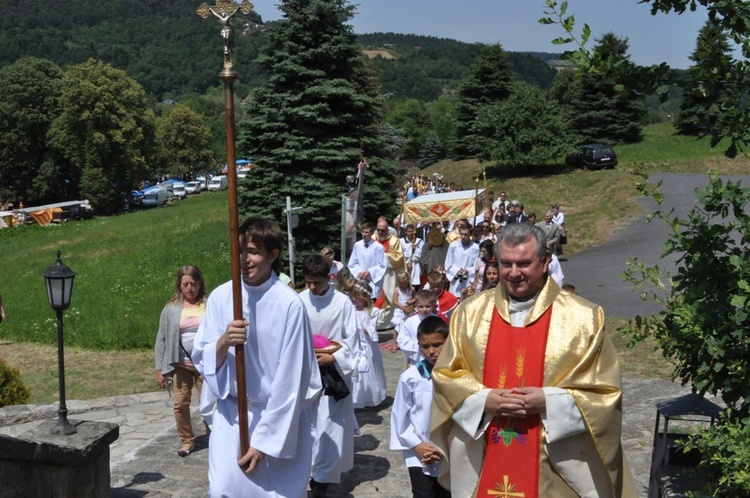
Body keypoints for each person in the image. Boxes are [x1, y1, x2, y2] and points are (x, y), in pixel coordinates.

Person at [430, 222, 637, 498]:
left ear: (546, 261)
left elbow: (604, 394)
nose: (514, 274)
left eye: (524, 264)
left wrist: (548, 402)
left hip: (554, 466)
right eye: (506, 264)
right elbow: (446, 377)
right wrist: (482, 401)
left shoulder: (583, 318)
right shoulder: (469, 314)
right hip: (484, 455)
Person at [193, 218, 320, 497]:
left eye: (253, 251)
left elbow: (292, 379)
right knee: (224, 488)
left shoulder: (289, 305)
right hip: (232, 415)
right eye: (240, 251)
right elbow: (201, 354)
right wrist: (223, 342)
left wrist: (264, 442)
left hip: (276, 419)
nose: (244, 259)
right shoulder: (221, 297)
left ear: (273, 255)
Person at [299, 255, 360, 497]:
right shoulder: (299, 300)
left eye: (317, 282)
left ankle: (321, 481)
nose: (312, 287)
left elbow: (354, 339)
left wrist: (334, 357)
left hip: (333, 370)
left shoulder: (342, 303)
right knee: (306, 425)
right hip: (306, 369)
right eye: (308, 282)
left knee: (328, 425)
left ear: (329, 278)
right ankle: (306, 469)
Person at [390, 315, 451, 498]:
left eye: (437, 345)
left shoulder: (458, 376)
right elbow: (400, 417)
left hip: (448, 452)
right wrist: (418, 446)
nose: (431, 351)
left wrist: (444, 447)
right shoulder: (411, 378)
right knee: (423, 494)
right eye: (425, 346)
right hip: (419, 453)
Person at [154, 265, 208, 457]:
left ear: (199, 283)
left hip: (205, 365)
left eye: (193, 283)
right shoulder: (171, 309)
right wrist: (159, 368)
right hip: (180, 364)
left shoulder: (209, 304)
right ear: (179, 285)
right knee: (180, 403)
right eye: (185, 284)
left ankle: (214, 434)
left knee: (209, 403)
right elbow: (161, 338)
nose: (190, 288)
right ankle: (186, 439)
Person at [350, 281, 387, 408]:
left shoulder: (373, 311)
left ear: (365, 298)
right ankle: (357, 397)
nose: (355, 299)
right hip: (355, 342)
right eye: (353, 296)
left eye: (358, 297)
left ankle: (371, 396)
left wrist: (362, 328)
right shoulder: (351, 309)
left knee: (369, 367)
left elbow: (372, 328)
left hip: (367, 343)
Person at [398, 290, 439, 366]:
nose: (424, 309)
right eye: (421, 306)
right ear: (416, 305)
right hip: (417, 358)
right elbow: (402, 339)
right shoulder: (410, 321)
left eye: (427, 306)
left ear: (433, 305)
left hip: (434, 356)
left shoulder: (438, 320)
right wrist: (419, 346)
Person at [347, 222, 386, 299]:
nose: (364, 234)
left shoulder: (378, 247)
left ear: (371, 233)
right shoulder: (357, 245)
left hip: (372, 281)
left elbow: (382, 266)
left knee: (370, 301)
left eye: (366, 232)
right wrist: (359, 271)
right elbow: (352, 263)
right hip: (360, 279)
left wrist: (370, 272)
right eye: (363, 232)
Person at [444, 224, 479, 298]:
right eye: (462, 234)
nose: (463, 237)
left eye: (466, 234)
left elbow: (476, 265)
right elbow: (448, 263)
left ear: (470, 234)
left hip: (468, 280)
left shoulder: (475, 248)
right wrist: (457, 270)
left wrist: (468, 270)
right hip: (456, 279)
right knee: (455, 300)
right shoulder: (453, 246)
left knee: (468, 301)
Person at [392, 272, 416, 350]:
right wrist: (403, 308)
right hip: (400, 310)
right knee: (397, 327)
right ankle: (395, 344)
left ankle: (408, 342)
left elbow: (415, 298)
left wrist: (411, 302)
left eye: (405, 283)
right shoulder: (397, 289)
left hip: (409, 310)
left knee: (409, 327)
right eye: (402, 284)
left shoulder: (412, 289)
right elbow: (395, 301)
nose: (404, 285)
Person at [402, 223, 424, 292]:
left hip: (415, 265)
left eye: (412, 232)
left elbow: (421, 255)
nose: (411, 233)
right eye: (409, 231)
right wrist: (407, 262)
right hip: (405, 265)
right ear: (406, 232)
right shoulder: (401, 241)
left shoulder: (420, 241)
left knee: (414, 284)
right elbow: (401, 254)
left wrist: (415, 250)